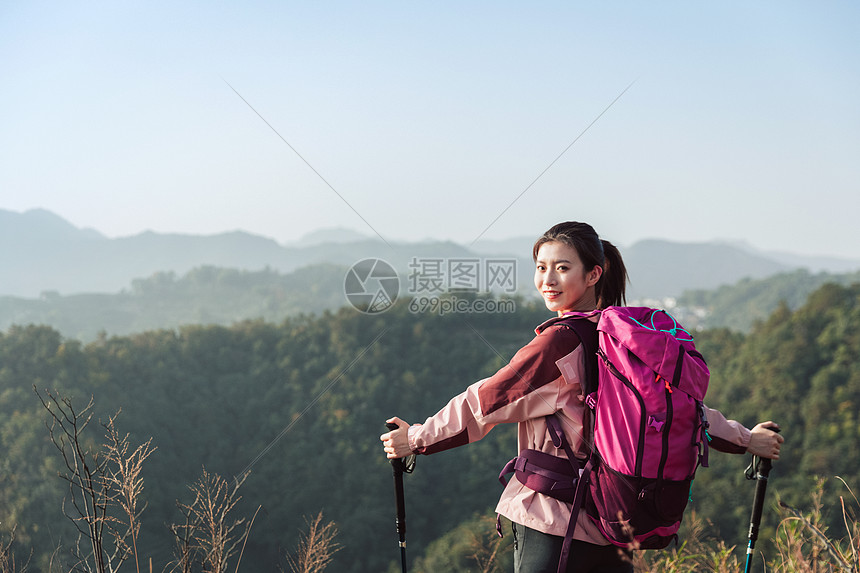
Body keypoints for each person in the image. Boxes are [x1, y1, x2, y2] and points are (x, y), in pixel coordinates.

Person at [380, 221, 784, 573]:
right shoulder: (628, 343)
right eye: (541, 268)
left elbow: (485, 403)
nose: (548, 280)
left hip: (555, 524)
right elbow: (682, 411)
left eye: (562, 268)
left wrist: (414, 439)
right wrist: (747, 439)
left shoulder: (559, 342)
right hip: (614, 524)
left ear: (593, 275)